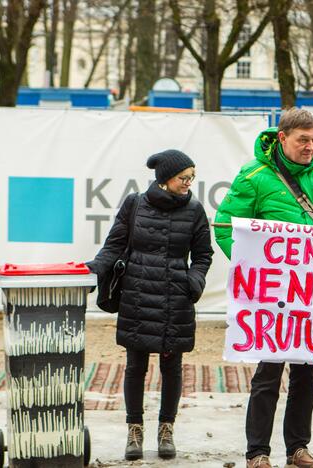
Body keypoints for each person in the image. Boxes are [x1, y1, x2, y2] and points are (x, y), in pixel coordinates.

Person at [214, 108, 313, 468]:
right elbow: (224, 227)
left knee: (307, 373)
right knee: (268, 372)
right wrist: (256, 271)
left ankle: (298, 448)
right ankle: (257, 452)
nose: (311, 147)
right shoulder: (254, 176)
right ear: (282, 138)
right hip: (274, 294)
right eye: (303, 140)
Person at [87, 149, 213, 461]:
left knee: (172, 366)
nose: (188, 184)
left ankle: (166, 429)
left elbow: (203, 254)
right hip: (138, 295)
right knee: (135, 366)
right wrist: (90, 271)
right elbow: (114, 244)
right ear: (165, 178)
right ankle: (134, 429)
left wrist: (193, 281)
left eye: (191, 179)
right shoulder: (134, 204)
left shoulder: (195, 210)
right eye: (184, 178)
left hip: (175, 298)